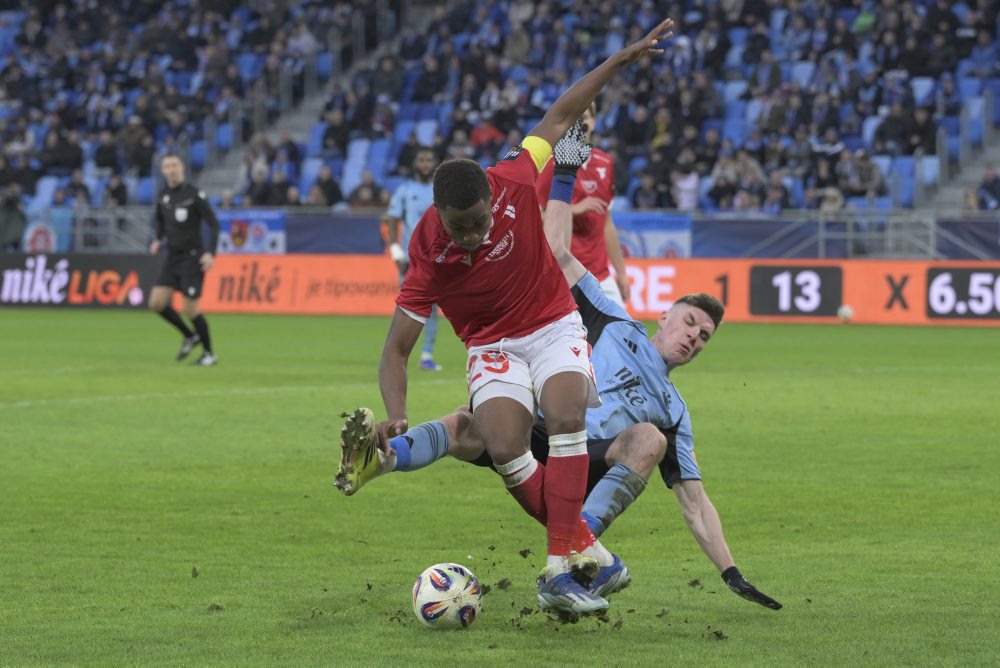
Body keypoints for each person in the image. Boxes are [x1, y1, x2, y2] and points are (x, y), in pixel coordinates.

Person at [334, 145, 782, 612]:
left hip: (585, 456)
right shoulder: (614, 320)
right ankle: (383, 459)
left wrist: (731, 574)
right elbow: (558, 251)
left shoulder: (673, 408)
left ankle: (572, 553)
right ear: (665, 314)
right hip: (539, 423)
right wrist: (564, 173)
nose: (694, 337)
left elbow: (695, 502)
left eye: (704, 337)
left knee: (650, 438)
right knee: (470, 423)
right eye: (690, 323)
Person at [359, 18, 676, 616]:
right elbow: (396, 348)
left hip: (554, 323)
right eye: (461, 228)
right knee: (504, 444)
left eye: (478, 221)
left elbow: (559, 117)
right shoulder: (429, 252)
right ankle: (587, 552)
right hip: (492, 344)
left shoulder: (510, 175)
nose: (473, 235)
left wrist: (618, 62)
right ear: (438, 217)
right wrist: (397, 416)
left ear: (489, 196)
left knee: (564, 413)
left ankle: (558, 570)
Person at [535, 103, 631, 307]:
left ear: (593, 123)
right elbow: (535, 216)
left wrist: (621, 273)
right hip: (567, 276)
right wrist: (574, 209)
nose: (579, 124)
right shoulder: (551, 164)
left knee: (624, 336)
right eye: (574, 119)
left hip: (602, 277)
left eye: (584, 118)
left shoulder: (605, 162)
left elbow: (607, 223)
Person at [147, 154, 220, 366]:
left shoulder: (194, 194)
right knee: (157, 302)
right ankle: (190, 336)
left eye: (175, 165)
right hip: (173, 257)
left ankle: (209, 354)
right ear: (163, 171)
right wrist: (158, 240)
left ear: (182, 168)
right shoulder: (163, 196)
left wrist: (210, 253)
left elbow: (213, 224)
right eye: (167, 166)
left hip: (193, 257)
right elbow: (160, 222)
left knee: (190, 309)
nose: (172, 169)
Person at [383, 147, 444, 371]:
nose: (426, 164)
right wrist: (395, 250)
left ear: (435, 163)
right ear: (416, 163)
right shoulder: (405, 190)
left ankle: (426, 355)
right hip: (411, 260)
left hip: (438, 259)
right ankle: (397, 353)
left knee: (434, 308)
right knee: (407, 306)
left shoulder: (441, 189)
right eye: (422, 160)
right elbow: (392, 219)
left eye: (429, 160)